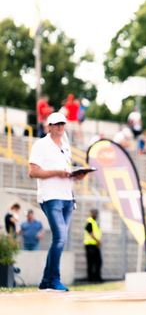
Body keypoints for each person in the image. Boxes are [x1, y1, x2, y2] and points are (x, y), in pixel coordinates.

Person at [28, 112, 86, 291]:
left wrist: (77, 176)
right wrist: (56, 172)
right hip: (51, 197)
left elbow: (65, 172)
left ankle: (47, 281)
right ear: (49, 126)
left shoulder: (66, 145)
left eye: (62, 123)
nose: (60, 126)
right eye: (56, 124)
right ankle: (54, 280)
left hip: (67, 197)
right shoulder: (41, 144)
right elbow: (33, 172)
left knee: (60, 239)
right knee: (60, 238)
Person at [84, 209, 103, 282]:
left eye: (96, 213)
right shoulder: (89, 221)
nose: (96, 215)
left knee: (98, 262)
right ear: (91, 213)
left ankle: (97, 278)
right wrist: (98, 241)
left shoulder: (94, 222)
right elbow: (90, 233)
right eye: (94, 213)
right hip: (90, 245)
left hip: (95, 245)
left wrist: (98, 242)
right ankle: (91, 279)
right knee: (91, 263)